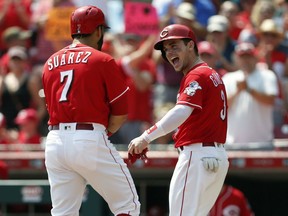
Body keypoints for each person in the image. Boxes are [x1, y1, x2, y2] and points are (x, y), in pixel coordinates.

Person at [42, 5, 140, 216]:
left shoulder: (50, 62)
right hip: (88, 136)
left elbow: (50, 107)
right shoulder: (102, 59)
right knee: (127, 205)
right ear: (98, 31)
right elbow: (121, 112)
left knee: (63, 212)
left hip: (54, 141)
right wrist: (100, 135)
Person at [128, 24, 229, 216]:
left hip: (197, 155)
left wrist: (146, 137)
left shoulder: (197, 74)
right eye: (166, 49)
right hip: (216, 157)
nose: (169, 52)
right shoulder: (212, 73)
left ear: (190, 45)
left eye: (174, 46)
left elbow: (182, 111)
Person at [222, 42, 278, 147]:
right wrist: (237, 91)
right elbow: (221, 107)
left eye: (249, 57)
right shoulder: (228, 78)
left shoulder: (267, 75)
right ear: (237, 59)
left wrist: (248, 89)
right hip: (233, 143)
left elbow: (270, 101)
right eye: (242, 57)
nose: (245, 60)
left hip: (262, 143)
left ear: (255, 58)